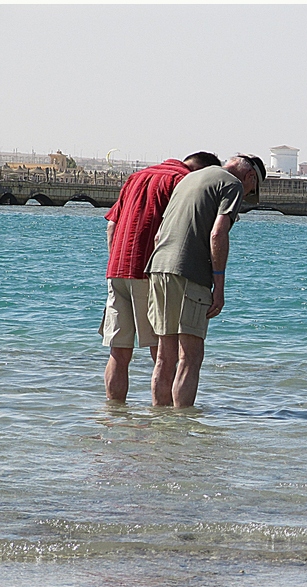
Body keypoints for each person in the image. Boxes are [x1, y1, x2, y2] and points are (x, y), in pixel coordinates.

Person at [145, 154, 266, 408]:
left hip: (158, 267)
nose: (245, 196)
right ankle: (183, 430)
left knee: (165, 357)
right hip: (191, 273)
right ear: (250, 177)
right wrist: (219, 286)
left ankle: (161, 425)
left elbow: (158, 236)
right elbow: (218, 234)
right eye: (250, 191)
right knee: (191, 355)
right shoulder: (231, 184)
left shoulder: (189, 180)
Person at [100, 151, 221, 403]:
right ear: (202, 171)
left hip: (117, 270)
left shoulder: (136, 177)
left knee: (118, 353)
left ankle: (114, 417)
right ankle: (164, 427)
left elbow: (111, 224)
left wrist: (115, 263)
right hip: (152, 273)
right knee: (164, 355)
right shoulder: (183, 181)